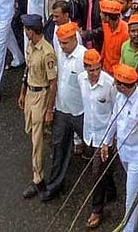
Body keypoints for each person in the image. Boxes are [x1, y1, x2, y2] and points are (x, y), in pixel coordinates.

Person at [101, 64, 138, 232]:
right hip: (123, 150)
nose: (114, 85)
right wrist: (106, 142)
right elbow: (114, 119)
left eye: (117, 82)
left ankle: (129, 228)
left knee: (131, 195)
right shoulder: (120, 97)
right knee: (135, 181)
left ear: (123, 85)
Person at [41, 20, 85, 201]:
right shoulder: (60, 53)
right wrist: (50, 109)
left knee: (95, 148)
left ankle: (108, 187)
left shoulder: (84, 57)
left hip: (81, 113)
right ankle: (54, 185)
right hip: (62, 110)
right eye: (60, 43)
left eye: (65, 43)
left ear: (75, 39)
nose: (62, 47)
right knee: (59, 148)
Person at [19, 13, 58, 200]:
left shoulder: (47, 52)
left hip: (42, 95)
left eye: (26, 29)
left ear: (32, 31)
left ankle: (38, 179)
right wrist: (22, 91)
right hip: (31, 93)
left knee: (37, 140)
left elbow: (52, 83)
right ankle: (37, 172)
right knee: (32, 133)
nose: (25, 32)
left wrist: (49, 109)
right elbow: (27, 69)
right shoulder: (31, 46)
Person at [78, 48, 118, 228]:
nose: (94, 73)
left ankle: (97, 210)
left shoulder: (110, 84)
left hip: (105, 136)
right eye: (90, 69)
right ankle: (111, 190)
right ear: (85, 68)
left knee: (96, 173)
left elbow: (117, 111)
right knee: (103, 169)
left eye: (97, 69)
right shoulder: (81, 79)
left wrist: (113, 137)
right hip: (90, 133)